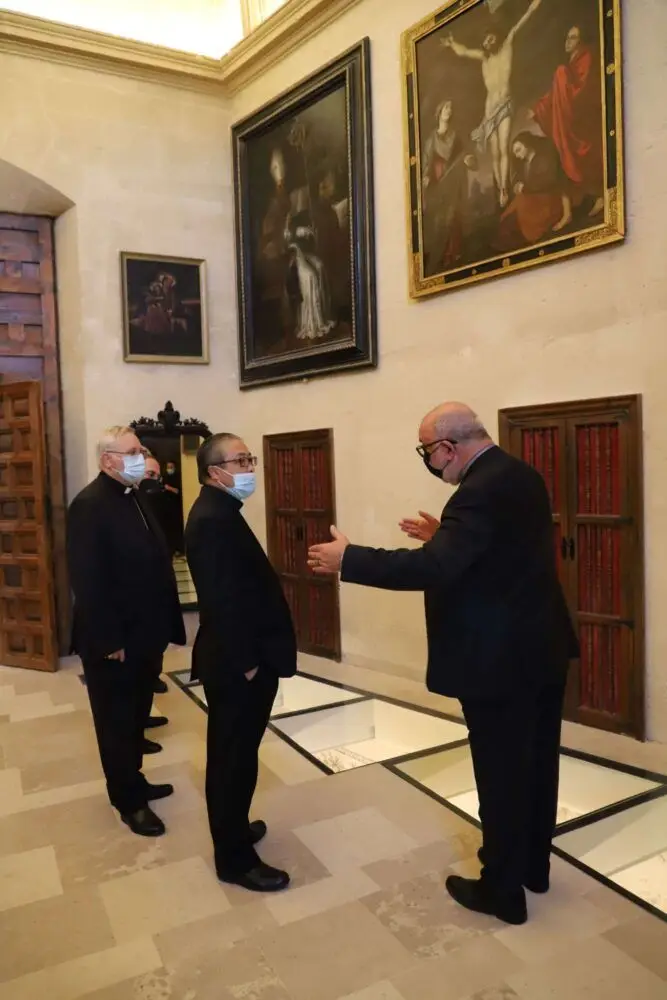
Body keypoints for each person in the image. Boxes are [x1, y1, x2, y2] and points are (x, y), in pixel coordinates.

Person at [308, 402, 579, 926]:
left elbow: (434, 569)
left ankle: (502, 890)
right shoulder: (519, 474)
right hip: (540, 649)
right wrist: (444, 537)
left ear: (448, 448)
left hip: (498, 662)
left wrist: (350, 559)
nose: (429, 463)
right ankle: (532, 867)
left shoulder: (475, 491)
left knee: (501, 774)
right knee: (536, 765)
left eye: (427, 452)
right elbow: (497, 556)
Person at [185, 433, 297, 892]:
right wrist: (248, 662)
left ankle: (236, 827)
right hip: (237, 664)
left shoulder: (223, 510)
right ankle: (234, 860)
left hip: (246, 659)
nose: (251, 467)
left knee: (242, 755)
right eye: (242, 460)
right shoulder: (211, 519)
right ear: (215, 472)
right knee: (230, 760)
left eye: (250, 459)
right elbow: (221, 600)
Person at [67, 426, 186, 837]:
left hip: (145, 633)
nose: (140, 457)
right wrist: (109, 640)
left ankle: (135, 779)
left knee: (136, 715)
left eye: (140, 450)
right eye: (132, 452)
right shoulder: (89, 505)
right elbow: (88, 580)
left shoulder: (133, 495)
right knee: (116, 722)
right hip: (114, 640)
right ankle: (127, 800)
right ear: (107, 461)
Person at [442, 0, 543, 207]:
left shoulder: (506, 48)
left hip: (504, 103)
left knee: (504, 147)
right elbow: (464, 51)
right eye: (485, 40)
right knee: (495, 152)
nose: (487, 42)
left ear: (497, 39)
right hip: (489, 109)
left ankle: (505, 188)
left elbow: (519, 24)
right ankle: (500, 191)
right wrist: (452, 43)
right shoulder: (484, 58)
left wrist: (533, 6)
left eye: (490, 39)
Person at [530, 25, 604, 218]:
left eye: (573, 37)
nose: (568, 41)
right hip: (567, 119)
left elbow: (582, 89)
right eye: (567, 37)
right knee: (565, 158)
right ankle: (574, 208)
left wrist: (561, 76)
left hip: (580, 120)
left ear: (581, 41)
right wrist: (538, 109)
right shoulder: (569, 66)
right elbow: (556, 94)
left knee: (585, 156)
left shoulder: (585, 58)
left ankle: (600, 196)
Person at [137, 453, 172, 733]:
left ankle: (144, 711)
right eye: (149, 475)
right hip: (136, 601)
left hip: (156, 595)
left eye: (157, 477)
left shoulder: (157, 504)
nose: (153, 482)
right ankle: (133, 728)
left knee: (153, 651)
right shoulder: (126, 504)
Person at [496, 132, 572, 249]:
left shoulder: (543, 158)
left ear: (527, 144)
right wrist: (518, 186)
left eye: (518, 150)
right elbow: (521, 181)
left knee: (519, 209)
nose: (517, 155)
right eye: (515, 153)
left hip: (547, 200)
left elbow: (548, 182)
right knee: (509, 216)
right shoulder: (523, 164)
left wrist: (525, 188)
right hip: (533, 199)